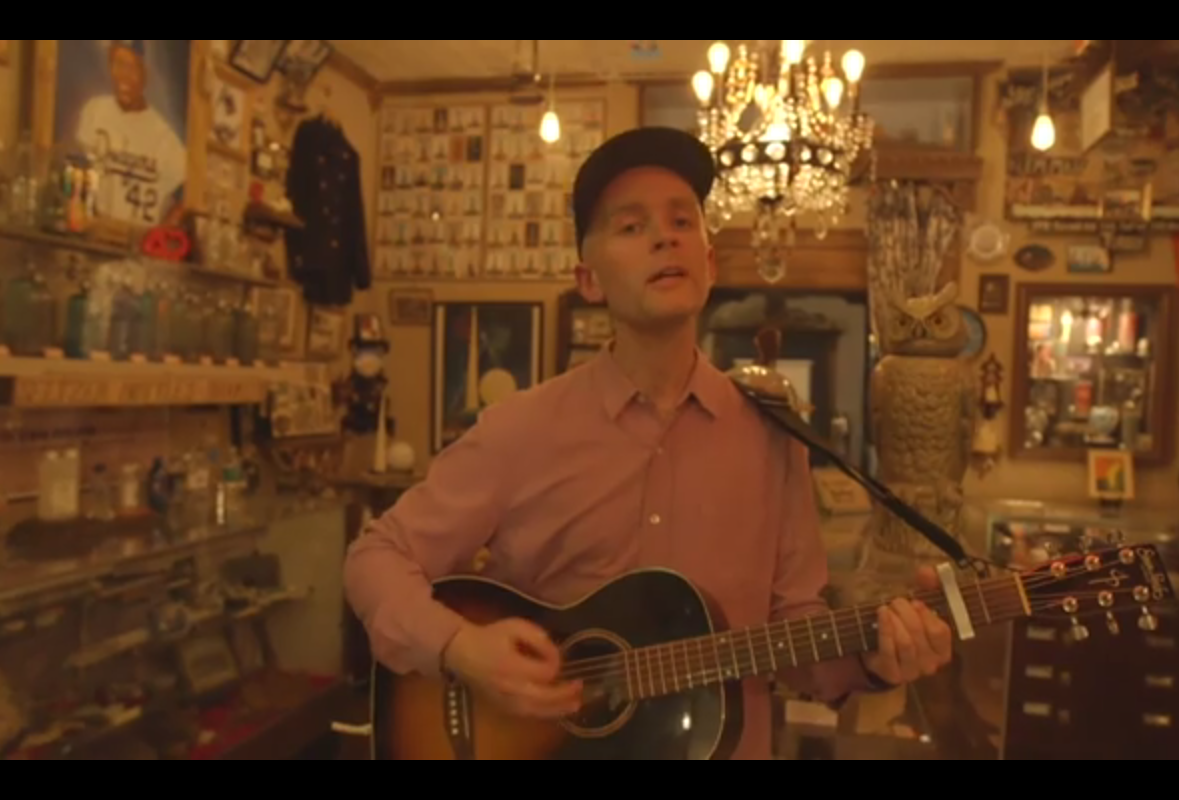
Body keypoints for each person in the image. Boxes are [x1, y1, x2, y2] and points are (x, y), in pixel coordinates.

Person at [344, 126, 954, 760]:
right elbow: (374, 558)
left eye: (682, 221)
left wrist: (877, 659)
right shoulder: (518, 430)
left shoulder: (775, 434)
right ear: (589, 280)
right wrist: (460, 647)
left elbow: (794, 633)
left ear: (710, 263)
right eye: (632, 227)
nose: (665, 237)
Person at [74, 40, 186, 226]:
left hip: (138, 239)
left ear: (144, 74)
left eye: (132, 67)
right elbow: (77, 171)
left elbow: (188, 195)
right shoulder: (94, 111)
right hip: (95, 232)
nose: (124, 75)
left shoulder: (164, 138)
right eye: (118, 64)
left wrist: (163, 232)